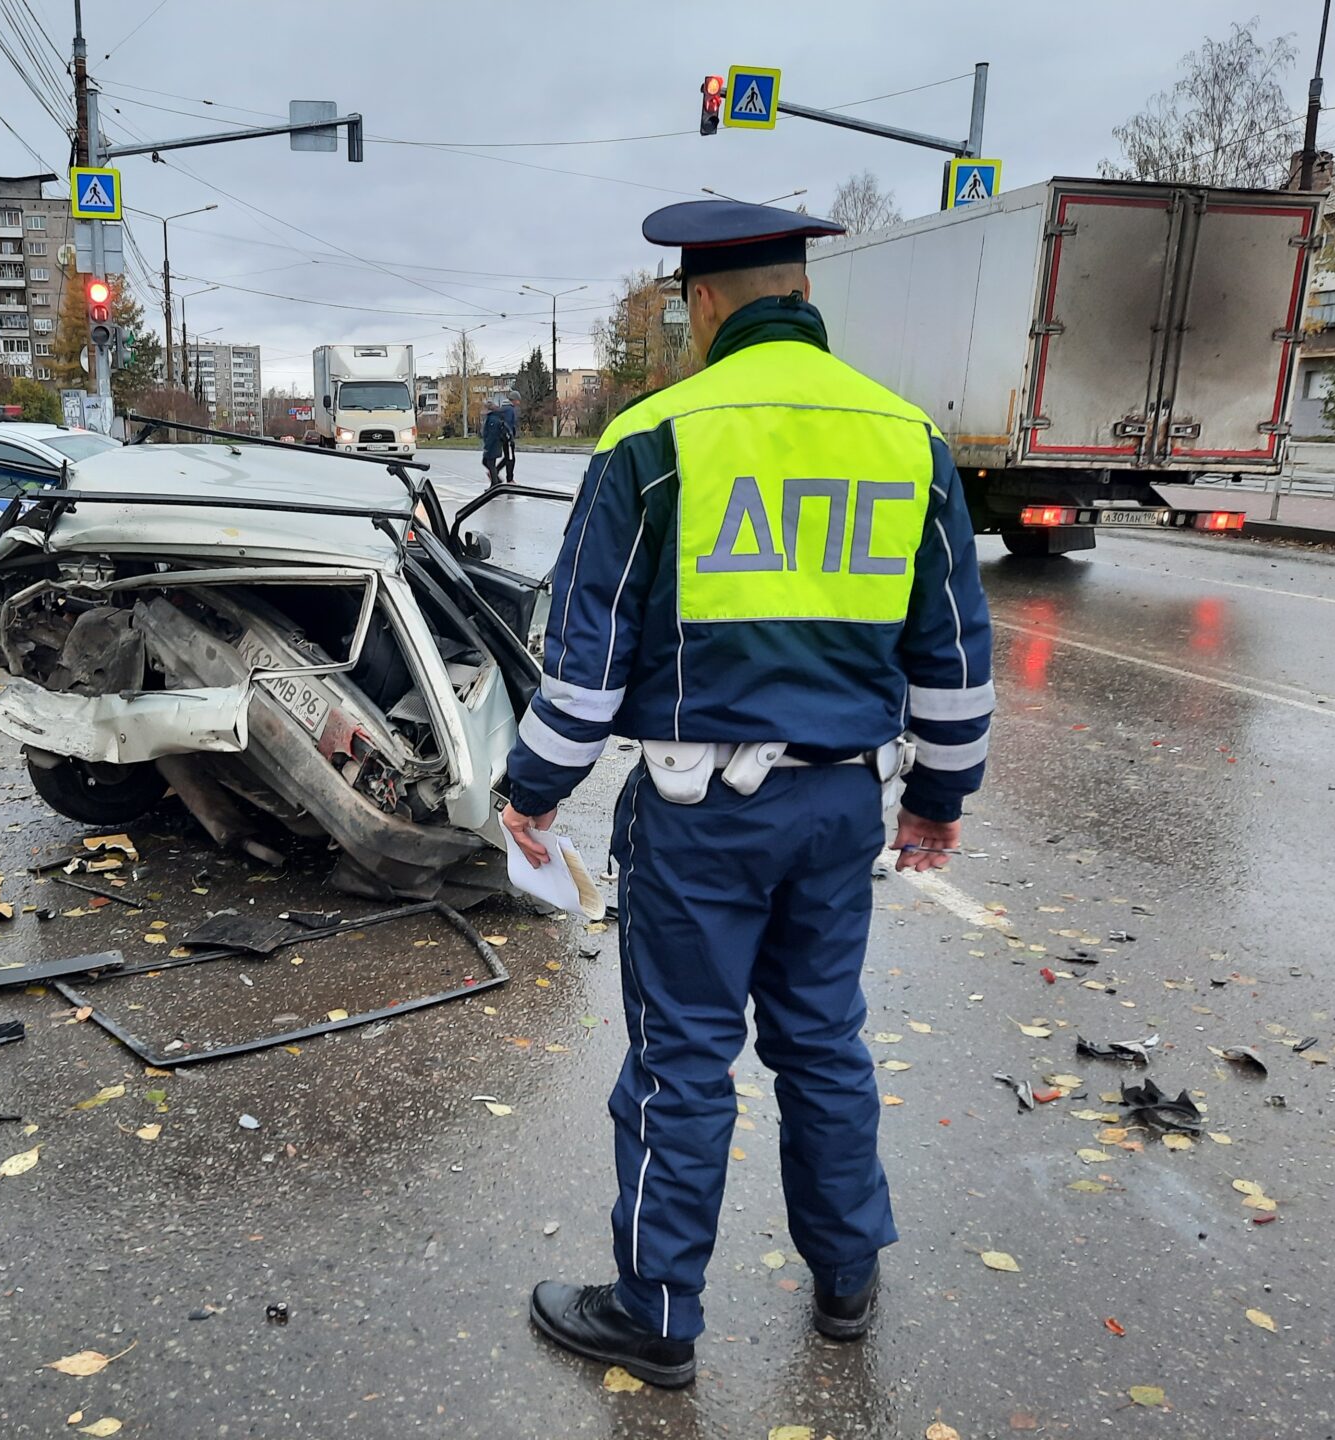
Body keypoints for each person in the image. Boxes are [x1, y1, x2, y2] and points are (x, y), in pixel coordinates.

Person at [501, 199, 993, 1386]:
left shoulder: (655, 438)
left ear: (705, 303)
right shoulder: (906, 436)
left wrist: (533, 790)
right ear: (804, 295)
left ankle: (658, 1314)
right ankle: (846, 1278)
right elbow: (956, 652)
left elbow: (587, 659)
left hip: (699, 816)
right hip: (839, 812)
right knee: (823, 1041)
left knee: (683, 1062)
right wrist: (939, 798)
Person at [481, 397, 508, 487]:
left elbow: (492, 435)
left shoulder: (492, 419)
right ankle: (496, 479)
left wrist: (487, 447)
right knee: (486, 462)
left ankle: (494, 483)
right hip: (494, 444)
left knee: (490, 463)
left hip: (493, 445)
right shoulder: (493, 417)